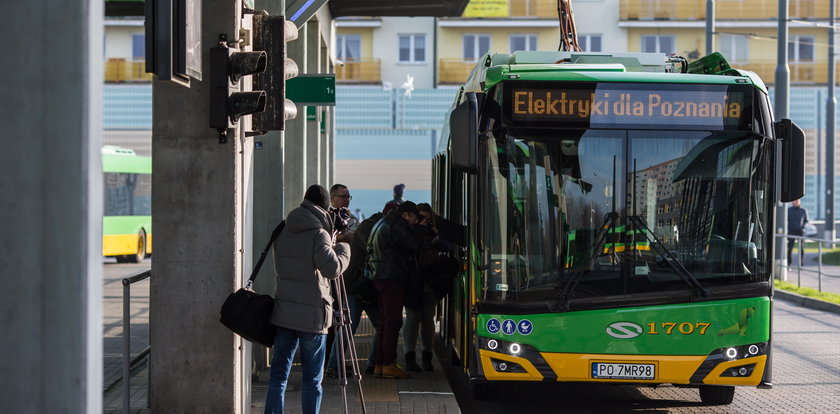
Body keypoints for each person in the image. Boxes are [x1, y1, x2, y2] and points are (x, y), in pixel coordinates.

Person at [265, 184, 351, 414]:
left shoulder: (284, 228)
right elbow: (332, 269)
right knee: (312, 379)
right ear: (324, 206)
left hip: (283, 313)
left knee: (278, 375)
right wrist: (343, 249)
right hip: (312, 317)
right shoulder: (318, 234)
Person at [325, 202, 399, 377]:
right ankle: (335, 366)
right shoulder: (370, 228)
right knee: (350, 325)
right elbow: (374, 249)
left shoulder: (371, 226)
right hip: (357, 286)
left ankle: (371, 363)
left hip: (366, 286)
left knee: (379, 324)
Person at [366, 201, 423, 379]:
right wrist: (421, 230)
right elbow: (413, 245)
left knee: (384, 322)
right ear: (406, 214)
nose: (414, 222)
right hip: (391, 278)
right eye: (414, 218)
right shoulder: (397, 224)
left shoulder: (382, 222)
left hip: (379, 277)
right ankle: (389, 364)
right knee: (392, 322)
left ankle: (380, 364)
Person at [402, 203, 442, 372]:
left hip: (430, 280)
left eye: (427, 218)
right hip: (412, 280)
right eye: (421, 218)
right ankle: (409, 356)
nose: (424, 222)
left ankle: (427, 355)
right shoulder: (409, 233)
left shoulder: (436, 233)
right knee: (412, 318)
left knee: (427, 318)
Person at [787, 198, 809, 266]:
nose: (795, 202)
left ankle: (801, 263)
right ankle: (789, 263)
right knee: (790, 248)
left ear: (799, 201)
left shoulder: (803, 210)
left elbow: (806, 220)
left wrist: (803, 227)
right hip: (791, 231)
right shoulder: (789, 210)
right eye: (794, 200)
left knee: (801, 248)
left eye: (797, 201)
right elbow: (786, 220)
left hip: (800, 232)